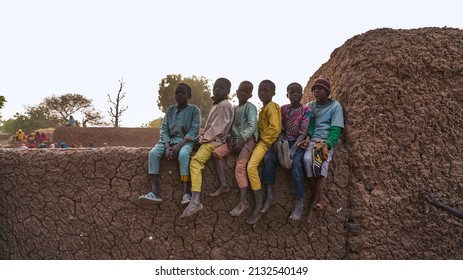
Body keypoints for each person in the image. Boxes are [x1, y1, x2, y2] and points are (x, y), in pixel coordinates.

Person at [180, 78, 234, 218]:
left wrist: (202, 139)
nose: (216, 90)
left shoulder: (224, 105)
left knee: (196, 162)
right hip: (210, 138)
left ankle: (196, 200)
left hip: (214, 141)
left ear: (228, 91)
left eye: (220, 88)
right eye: (215, 87)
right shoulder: (218, 104)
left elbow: (217, 129)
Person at [139, 83, 201, 204]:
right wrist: (167, 146)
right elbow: (164, 129)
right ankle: (154, 192)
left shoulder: (194, 110)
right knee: (153, 153)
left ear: (189, 96)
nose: (179, 95)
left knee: (183, 155)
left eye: (182, 93)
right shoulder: (170, 110)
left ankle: (186, 193)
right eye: (177, 93)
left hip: (185, 141)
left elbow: (194, 130)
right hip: (168, 141)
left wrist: (178, 146)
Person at [208, 81, 258, 217]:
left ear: (250, 95)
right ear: (236, 91)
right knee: (216, 154)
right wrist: (231, 138)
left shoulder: (250, 107)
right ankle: (224, 184)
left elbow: (252, 125)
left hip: (248, 140)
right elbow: (230, 126)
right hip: (235, 141)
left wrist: (242, 139)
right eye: (240, 90)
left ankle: (243, 202)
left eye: (245, 92)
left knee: (240, 165)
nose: (242, 93)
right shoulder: (234, 109)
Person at [299, 77, 344, 224]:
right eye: (313, 89)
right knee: (307, 160)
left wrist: (328, 144)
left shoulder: (335, 106)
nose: (315, 91)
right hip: (313, 141)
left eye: (319, 89)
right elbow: (310, 124)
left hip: (326, 141)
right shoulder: (311, 106)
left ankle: (313, 206)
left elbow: (336, 129)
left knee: (321, 165)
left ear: (327, 91)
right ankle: (320, 199)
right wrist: (308, 137)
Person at [264, 82, 311, 221]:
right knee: (268, 158)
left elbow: (303, 132)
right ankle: (270, 195)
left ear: (302, 95)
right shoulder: (283, 109)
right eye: (292, 92)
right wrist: (279, 141)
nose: (295, 95)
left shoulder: (306, 110)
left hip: (298, 142)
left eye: (298, 92)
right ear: (287, 95)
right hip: (283, 140)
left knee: (296, 165)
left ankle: (299, 202)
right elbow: (279, 128)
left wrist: (293, 149)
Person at [246, 80, 282, 224]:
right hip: (262, 141)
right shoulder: (264, 109)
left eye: (266, 90)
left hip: (266, 142)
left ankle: (259, 203)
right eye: (260, 90)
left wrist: (263, 140)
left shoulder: (271, 107)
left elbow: (275, 128)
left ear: (273, 92)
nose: (262, 93)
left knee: (251, 167)